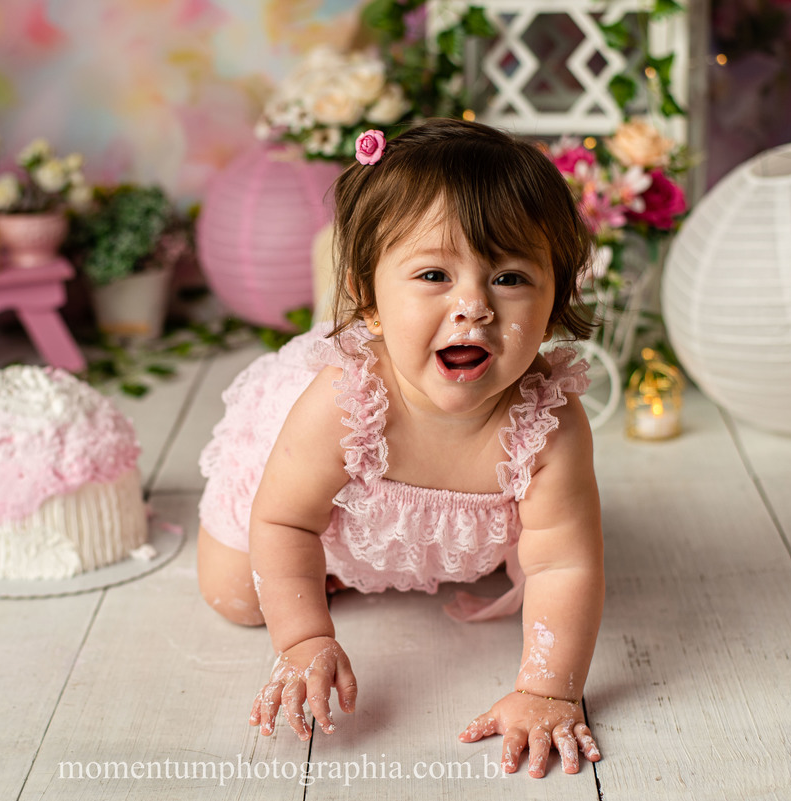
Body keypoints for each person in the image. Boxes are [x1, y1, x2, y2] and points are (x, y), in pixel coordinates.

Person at [196, 118, 604, 779]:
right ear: (369, 298)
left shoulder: (547, 423)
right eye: (435, 273)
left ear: (556, 296)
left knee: (534, 570)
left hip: (435, 528)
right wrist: (304, 640)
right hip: (317, 515)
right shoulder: (344, 401)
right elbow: (283, 518)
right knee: (237, 595)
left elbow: (565, 564)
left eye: (509, 277)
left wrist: (547, 687)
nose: (472, 305)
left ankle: (406, 559)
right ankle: (331, 571)